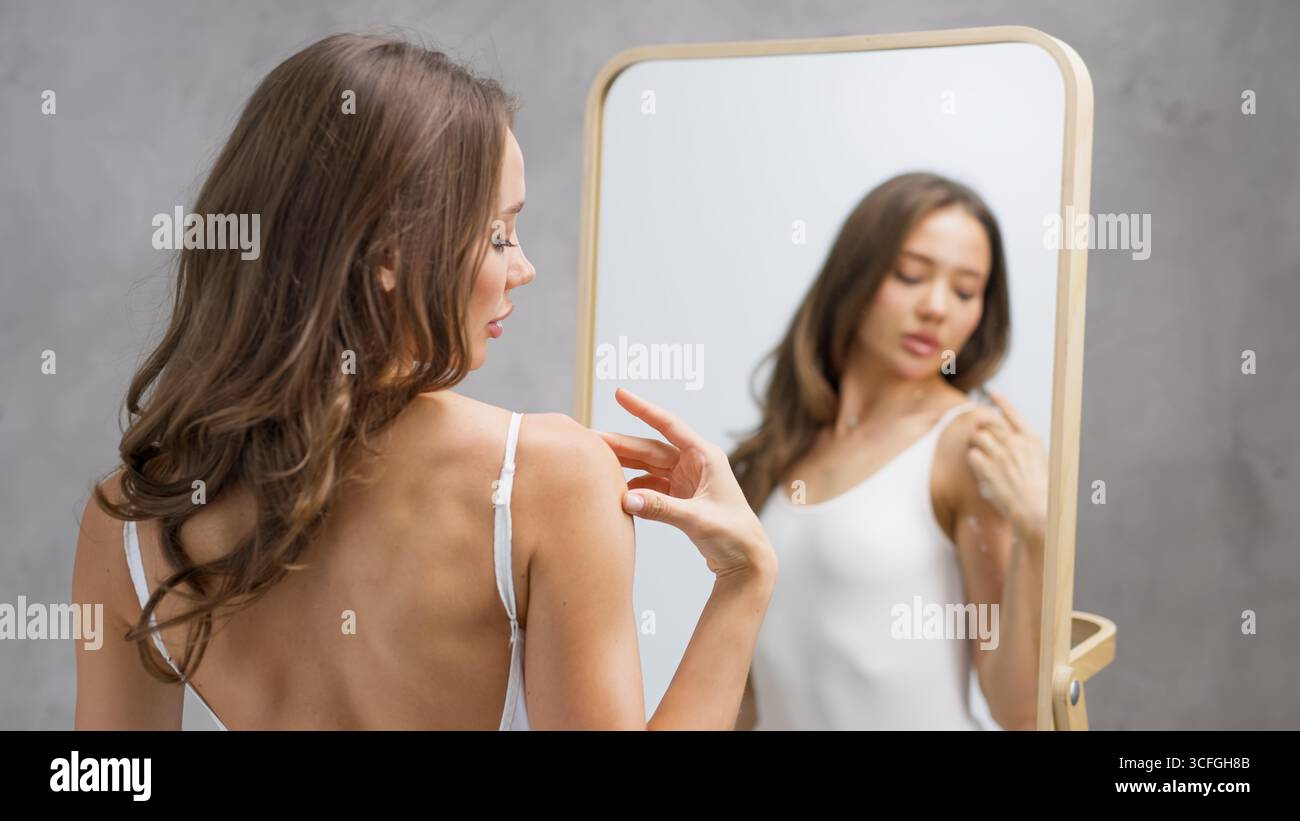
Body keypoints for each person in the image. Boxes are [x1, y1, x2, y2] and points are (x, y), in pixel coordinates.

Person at [73, 33, 774, 730]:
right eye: (499, 234)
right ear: (387, 254)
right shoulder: (546, 480)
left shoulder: (130, 519)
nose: (522, 267)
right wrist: (743, 582)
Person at [729, 173, 1048, 730]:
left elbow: (1019, 710)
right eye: (910, 275)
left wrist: (1038, 536)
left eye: (966, 290)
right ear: (855, 271)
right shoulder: (785, 447)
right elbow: (754, 692)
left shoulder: (965, 446)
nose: (935, 307)